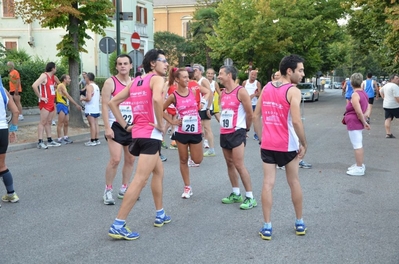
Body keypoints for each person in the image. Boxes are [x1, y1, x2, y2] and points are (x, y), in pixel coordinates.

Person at [107, 49, 171, 240]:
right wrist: (160, 124)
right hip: (151, 134)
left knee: (158, 172)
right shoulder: (156, 79)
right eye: (163, 61)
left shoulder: (136, 81)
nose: (166, 64)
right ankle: (118, 223)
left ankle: (160, 214)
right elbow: (158, 99)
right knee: (140, 180)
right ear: (153, 63)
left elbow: (113, 103)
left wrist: (126, 126)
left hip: (138, 134)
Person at [253, 54, 307, 240]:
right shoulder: (293, 91)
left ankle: (267, 226)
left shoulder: (267, 87)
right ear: (289, 71)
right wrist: (304, 143)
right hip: (288, 145)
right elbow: (297, 122)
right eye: (300, 70)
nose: (302, 74)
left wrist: (262, 139)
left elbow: (255, 116)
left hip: (268, 145)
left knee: (268, 184)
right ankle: (299, 222)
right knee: (294, 182)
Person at [163, 68, 210, 199]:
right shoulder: (174, 96)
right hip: (181, 131)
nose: (187, 79)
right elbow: (160, 109)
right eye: (183, 77)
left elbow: (208, 93)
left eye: (187, 77)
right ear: (177, 79)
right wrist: (172, 122)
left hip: (195, 129)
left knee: (197, 159)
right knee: (183, 159)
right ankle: (187, 187)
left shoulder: (194, 91)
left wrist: (204, 103)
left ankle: (193, 157)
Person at [218, 65, 257, 210]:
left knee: (239, 164)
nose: (219, 76)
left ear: (229, 75)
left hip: (238, 131)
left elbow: (249, 114)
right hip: (225, 132)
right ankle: (236, 193)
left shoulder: (241, 91)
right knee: (229, 163)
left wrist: (245, 129)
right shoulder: (223, 93)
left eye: (221, 73)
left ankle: (250, 197)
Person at [100, 54, 136, 205]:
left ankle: (124, 188)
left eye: (125, 63)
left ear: (131, 66)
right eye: (120, 64)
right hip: (115, 126)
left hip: (131, 126)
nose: (122, 66)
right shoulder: (110, 82)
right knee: (115, 159)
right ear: (116, 66)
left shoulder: (134, 83)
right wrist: (107, 127)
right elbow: (104, 105)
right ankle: (108, 190)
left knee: (130, 159)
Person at [343, 73, 370, 176]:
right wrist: (365, 118)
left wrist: (364, 122)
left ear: (351, 83)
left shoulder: (355, 95)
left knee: (357, 145)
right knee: (358, 143)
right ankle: (359, 164)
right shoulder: (364, 93)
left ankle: (359, 168)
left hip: (354, 122)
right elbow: (367, 108)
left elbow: (358, 112)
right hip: (357, 122)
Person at [32, 62, 61, 149]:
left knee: (49, 122)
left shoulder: (52, 77)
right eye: (55, 67)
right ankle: (40, 141)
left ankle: (49, 140)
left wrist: (54, 88)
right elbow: (34, 85)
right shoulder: (44, 76)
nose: (56, 69)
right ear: (52, 68)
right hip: (45, 102)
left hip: (51, 102)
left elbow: (51, 88)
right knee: (43, 122)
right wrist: (41, 97)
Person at [0, 75, 20, 205]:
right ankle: (11, 194)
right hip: (2, 130)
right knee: (1, 165)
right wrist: (13, 129)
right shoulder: (3, 91)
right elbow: (16, 111)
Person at [193, 64, 214, 157]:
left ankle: (211, 149)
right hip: (200, 107)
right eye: (193, 70)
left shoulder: (203, 80)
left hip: (205, 107)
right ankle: (196, 148)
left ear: (201, 71)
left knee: (207, 128)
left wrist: (209, 108)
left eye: (196, 70)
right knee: (199, 128)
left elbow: (210, 93)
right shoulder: (196, 81)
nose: (194, 71)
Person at [56, 74, 82, 144]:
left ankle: (65, 137)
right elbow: (68, 96)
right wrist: (76, 104)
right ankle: (59, 139)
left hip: (65, 105)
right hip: (61, 105)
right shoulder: (61, 85)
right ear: (64, 79)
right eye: (69, 78)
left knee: (66, 122)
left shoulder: (63, 86)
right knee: (60, 123)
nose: (70, 80)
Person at [81, 72, 100, 146]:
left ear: (88, 78)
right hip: (96, 108)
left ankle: (92, 140)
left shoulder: (89, 86)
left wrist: (83, 99)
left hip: (90, 108)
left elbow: (88, 98)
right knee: (95, 124)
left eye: (85, 78)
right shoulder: (96, 86)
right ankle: (96, 139)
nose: (84, 79)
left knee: (92, 124)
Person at [242, 70, 262, 140]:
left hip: (254, 104)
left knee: (255, 119)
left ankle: (256, 134)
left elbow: (260, 94)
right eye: (252, 74)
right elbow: (241, 92)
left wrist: (254, 95)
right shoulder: (245, 82)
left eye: (254, 75)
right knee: (245, 118)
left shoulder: (257, 83)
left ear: (256, 76)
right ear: (249, 75)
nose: (253, 76)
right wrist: (246, 98)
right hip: (246, 103)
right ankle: (244, 132)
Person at [379, 74, 399, 138]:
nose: (398, 79)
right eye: (396, 78)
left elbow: (380, 91)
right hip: (394, 105)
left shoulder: (386, 85)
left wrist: (384, 98)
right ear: (392, 79)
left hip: (386, 105)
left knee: (388, 118)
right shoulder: (395, 86)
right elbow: (396, 97)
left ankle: (388, 133)